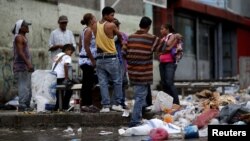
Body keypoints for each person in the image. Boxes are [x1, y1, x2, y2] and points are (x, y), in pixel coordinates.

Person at [124, 16, 180, 127]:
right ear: (149, 27)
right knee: (140, 97)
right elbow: (166, 47)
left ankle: (141, 113)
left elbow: (123, 52)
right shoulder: (151, 38)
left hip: (132, 73)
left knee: (142, 95)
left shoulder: (130, 37)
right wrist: (175, 37)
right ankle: (135, 121)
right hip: (143, 73)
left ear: (140, 25)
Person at [92, 6, 124, 113]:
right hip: (111, 57)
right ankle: (116, 104)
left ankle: (105, 106)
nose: (113, 17)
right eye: (112, 15)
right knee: (117, 81)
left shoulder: (94, 25)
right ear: (105, 15)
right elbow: (120, 34)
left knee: (103, 83)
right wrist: (121, 41)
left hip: (100, 58)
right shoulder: (111, 25)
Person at [12, 19, 34, 112]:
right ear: (20, 28)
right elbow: (20, 52)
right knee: (23, 86)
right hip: (21, 66)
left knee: (28, 86)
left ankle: (26, 104)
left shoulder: (23, 37)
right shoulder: (19, 38)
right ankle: (22, 104)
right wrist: (28, 63)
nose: (28, 27)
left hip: (24, 66)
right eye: (26, 26)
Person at [159, 23, 182, 105]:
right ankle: (168, 103)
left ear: (167, 29)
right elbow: (159, 48)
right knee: (164, 83)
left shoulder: (173, 36)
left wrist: (164, 47)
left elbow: (168, 46)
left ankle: (176, 103)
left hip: (170, 63)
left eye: (162, 29)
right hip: (162, 63)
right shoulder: (164, 38)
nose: (160, 30)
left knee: (169, 82)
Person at [78, 13, 97, 110]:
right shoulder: (89, 30)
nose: (95, 19)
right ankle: (86, 104)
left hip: (84, 59)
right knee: (87, 83)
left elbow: (80, 45)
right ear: (90, 20)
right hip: (87, 60)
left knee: (87, 82)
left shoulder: (84, 30)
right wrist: (93, 60)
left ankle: (87, 103)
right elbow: (86, 46)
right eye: (94, 18)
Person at [52, 44, 75, 111]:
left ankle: (57, 107)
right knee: (70, 89)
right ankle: (65, 105)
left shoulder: (58, 55)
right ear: (67, 50)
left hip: (54, 76)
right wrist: (66, 78)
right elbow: (65, 65)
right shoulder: (67, 57)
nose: (71, 55)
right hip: (61, 76)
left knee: (59, 93)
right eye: (71, 52)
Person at [112, 18, 128, 109]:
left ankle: (121, 101)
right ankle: (115, 102)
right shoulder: (110, 37)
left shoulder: (123, 35)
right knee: (117, 82)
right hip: (114, 62)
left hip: (122, 62)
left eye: (117, 26)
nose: (117, 28)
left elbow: (126, 47)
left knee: (122, 82)